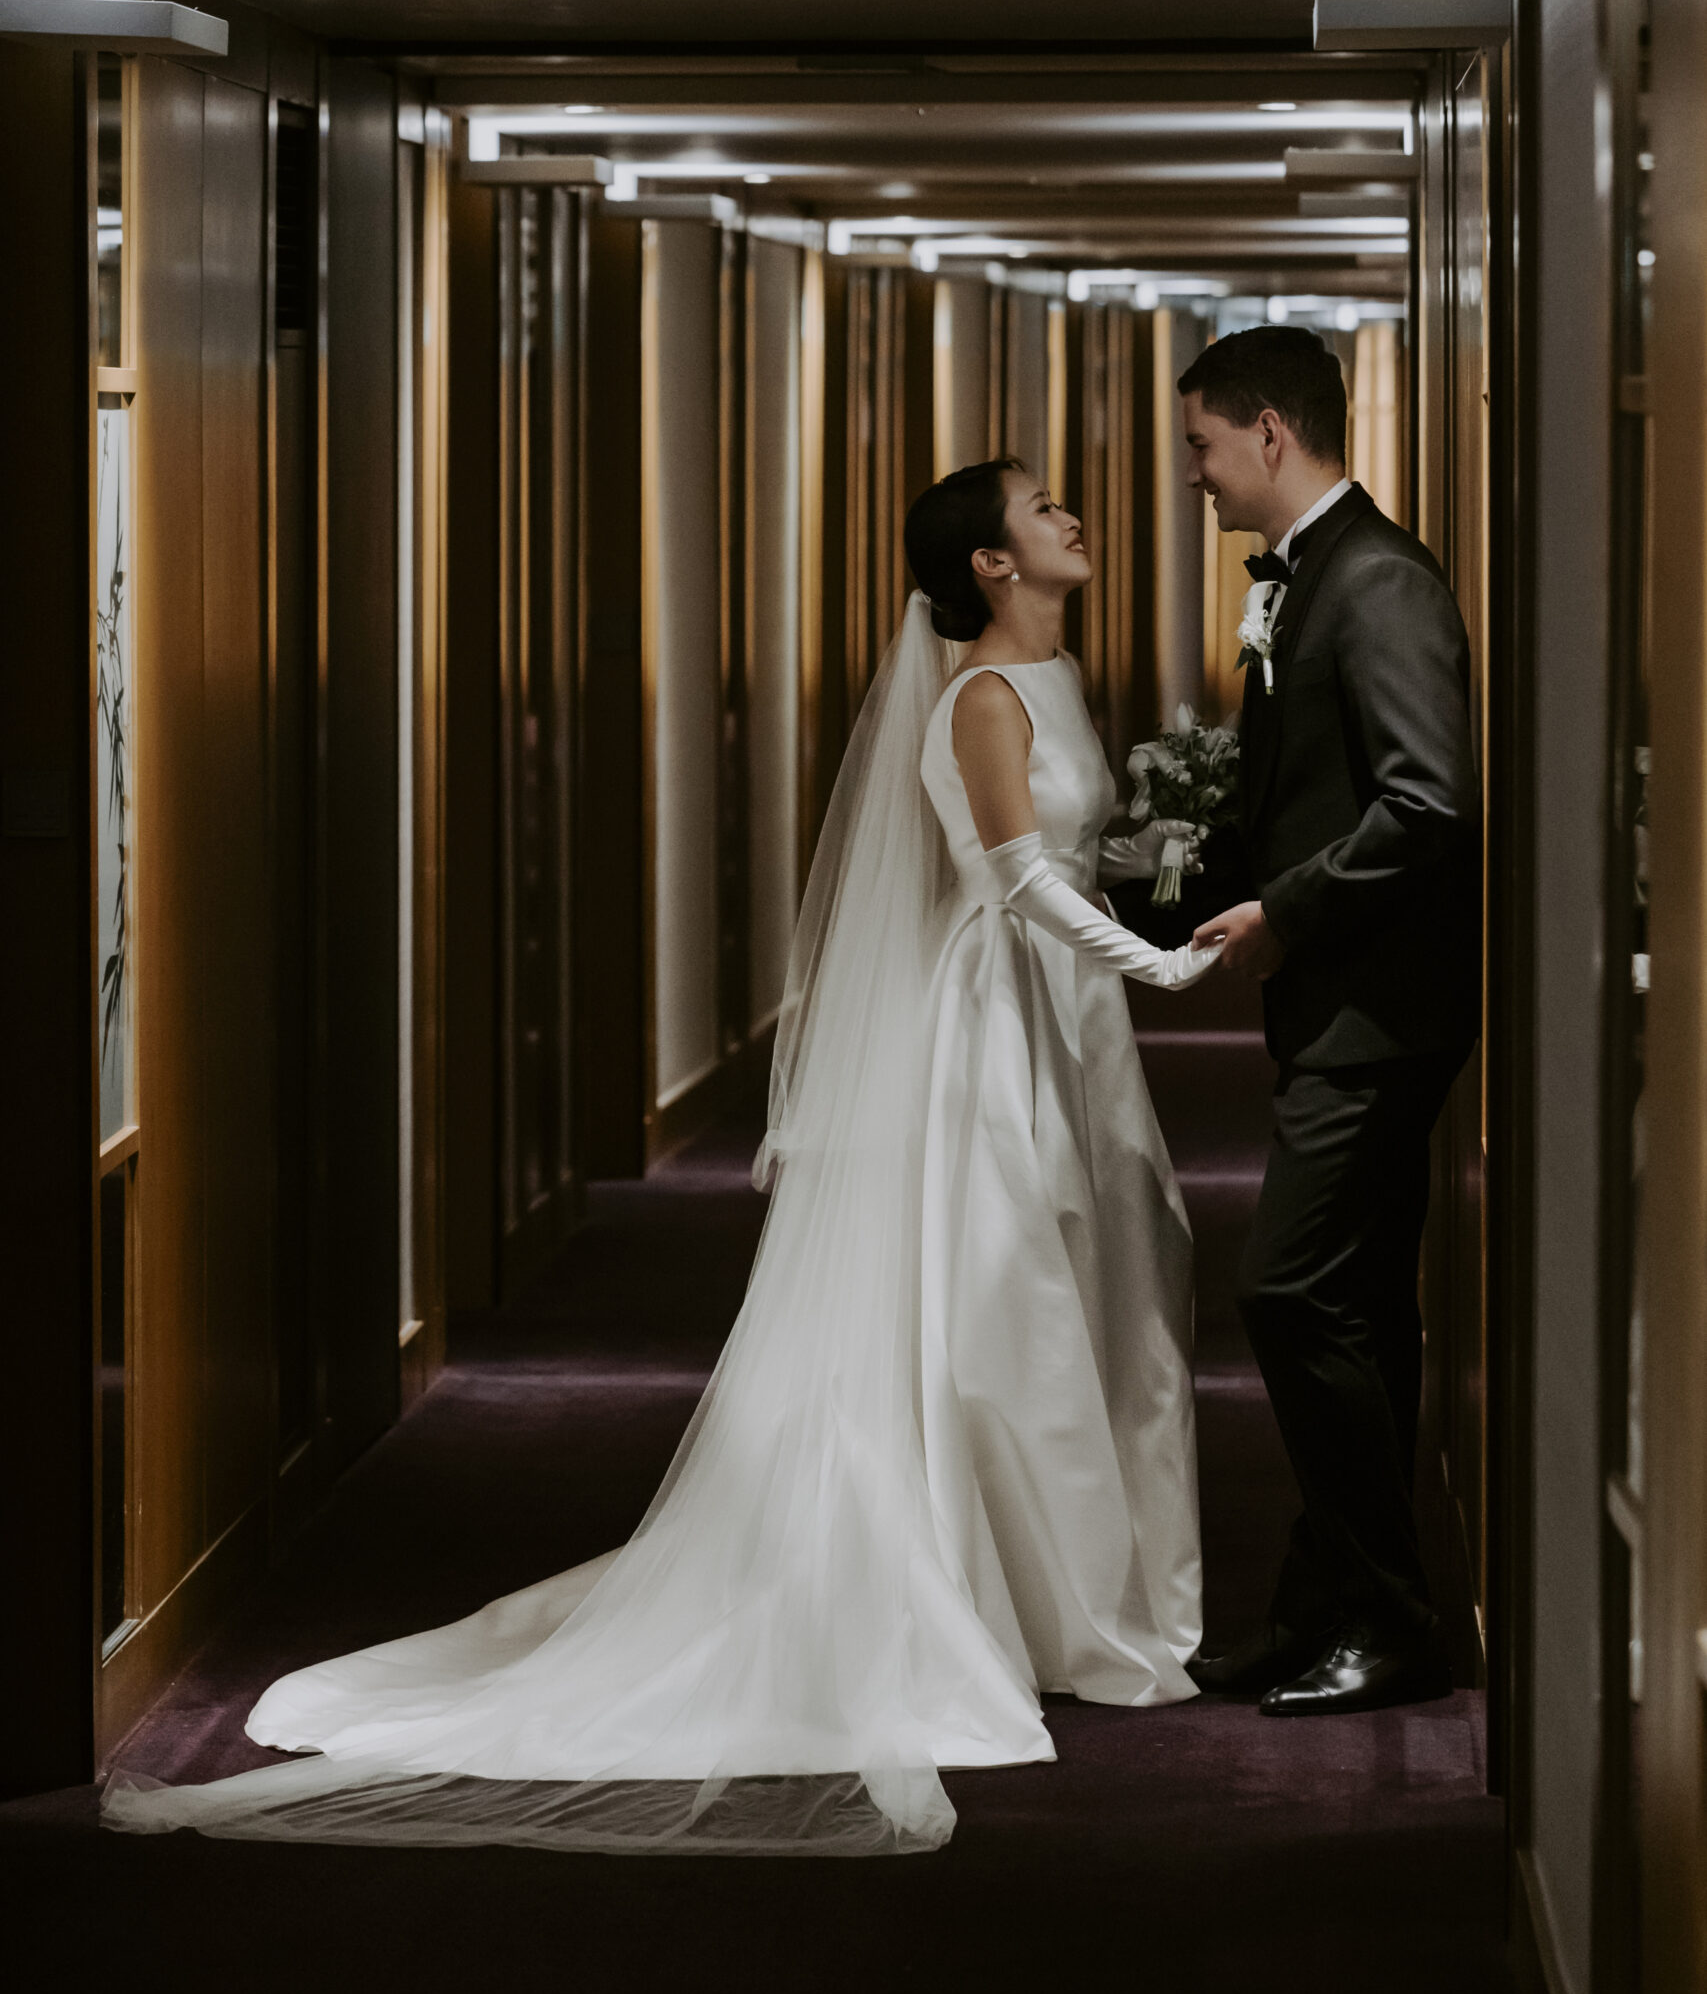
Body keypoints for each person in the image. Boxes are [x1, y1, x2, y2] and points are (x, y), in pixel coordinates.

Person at [103, 458, 1218, 1859]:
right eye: (1041, 506)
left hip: (1065, 1019)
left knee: (1082, 1283)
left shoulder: (1053, 681)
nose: (1072, 513)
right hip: (992, 1027)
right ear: (990, 565)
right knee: (1006, 1319)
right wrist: (1164, 968)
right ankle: (994, 1597)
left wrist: (1163, 859)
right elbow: (1014, 882)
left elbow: (1071, 850)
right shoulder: (982, 695)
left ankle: (1065, 1600)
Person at [1183, 326, 1480, 1717]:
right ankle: (1328, 1606)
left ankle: (1391, 1612)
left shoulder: (1378, 582)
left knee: (1286, 1287)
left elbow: (1426, 804)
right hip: (1341, 1008)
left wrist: (1287, 913)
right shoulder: (1312, 579)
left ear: (1269, 435)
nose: (1196, 475)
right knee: (1355, 1305)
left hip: (1382, 1012)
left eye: (1202, 447)